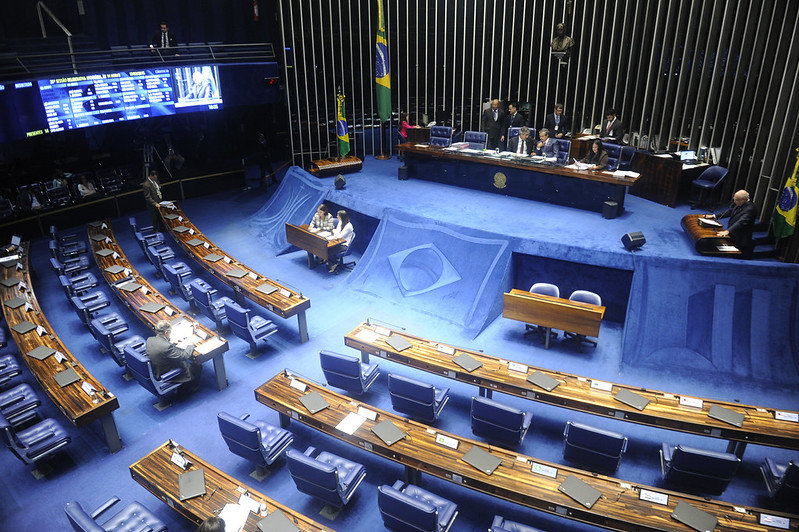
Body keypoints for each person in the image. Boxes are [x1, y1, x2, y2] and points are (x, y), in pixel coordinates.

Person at [146, 320, 202, 392]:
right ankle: (191, 387)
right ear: (166, 332)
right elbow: (185, 356)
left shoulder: (150, 340)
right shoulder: (167, 347)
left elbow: (162, 345)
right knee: (197, 366)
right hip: (167, 373)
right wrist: (191, 345)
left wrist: (171, 342)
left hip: (157, 369)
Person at [706, 189, 757, 259]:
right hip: (734, 234)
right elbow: (730, 211)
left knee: (737, 257)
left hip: (741, 239)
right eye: (734, 199)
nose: (734, 201)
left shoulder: (750, 209)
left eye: (736, 200)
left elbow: (741, 222)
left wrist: (727, 231)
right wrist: (714, 216)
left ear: (744, 199)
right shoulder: (740, 204)